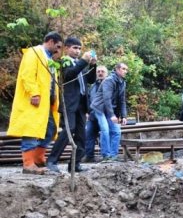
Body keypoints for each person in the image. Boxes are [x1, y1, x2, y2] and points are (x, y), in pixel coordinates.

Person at [7, 31, 63, 175]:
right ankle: (28, 164)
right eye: (57, 46)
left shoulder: (50, 59)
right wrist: (34, 93)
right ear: (50, 41)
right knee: (31, 131)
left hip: (47, 103)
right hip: (35, 101)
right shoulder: (34, 53)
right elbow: (27, 74)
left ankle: (38, 159)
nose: (58, 50)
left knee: (50, 129)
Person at [46, 37, 97, 173]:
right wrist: (84, 61)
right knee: (68, 131)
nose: (77, 51)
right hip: (69, 103)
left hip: (82, 104)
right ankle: (51, 161)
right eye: (75, 48)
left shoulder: (80, 64)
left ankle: (75, 164)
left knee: (81, 135)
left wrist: (92, 65)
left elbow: (91, 80)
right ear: (67, 48)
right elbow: (69, 75)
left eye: (79, 48)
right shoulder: (64, 62)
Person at [91, 63, 128, 161]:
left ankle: (113, 155)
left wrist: (124, 116)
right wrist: (112, 115)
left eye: (126, 69)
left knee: (116, 131)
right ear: (117, 69)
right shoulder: (109, 80)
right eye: (123, 69)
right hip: (99, 108)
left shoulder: (122, 82)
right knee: (105, 129)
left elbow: (122, 100)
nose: (125, 71)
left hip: (109, 109)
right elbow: (106, 99)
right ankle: (106, 155)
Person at [83, 65, 108, 162]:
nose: (100, 73)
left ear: (106, 74)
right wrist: (87, 112)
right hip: (92, 116)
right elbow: (89, 99)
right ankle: (89, 156)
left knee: (105, 135)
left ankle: (106, 156)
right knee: (88, 134)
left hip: (105, 115)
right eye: (98, 72)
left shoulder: (110, 84)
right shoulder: (93, 86)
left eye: (102, 71)